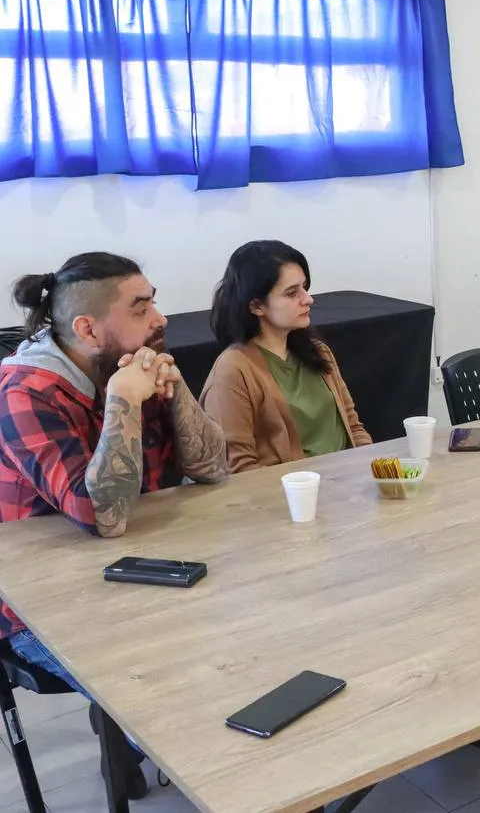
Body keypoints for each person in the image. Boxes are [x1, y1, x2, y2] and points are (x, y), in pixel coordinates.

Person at [0, 253, 229, 798]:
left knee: (243, 637)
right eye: (141, 306)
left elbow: (213, 468)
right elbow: (104, 517)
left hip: (139, 570)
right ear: (87, 328)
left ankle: (138, 739)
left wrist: (177, 396)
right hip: (43, 608)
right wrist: (124, 401)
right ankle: (138, 738)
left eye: (153, 299)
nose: (160, 318)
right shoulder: (24, 393)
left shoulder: (126, 364)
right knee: (172, 690)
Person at [201, 241, 371, 473]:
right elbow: (238, 469)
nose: (308, 299)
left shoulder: (319, 352)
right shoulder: (233, 370)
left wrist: (370, 471)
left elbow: (353, 426)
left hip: (346, 484)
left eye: (305, 287)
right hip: (289, 498)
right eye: (292, 293)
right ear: (257, 306)